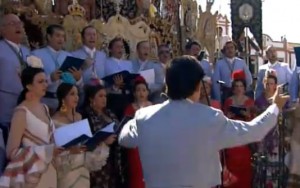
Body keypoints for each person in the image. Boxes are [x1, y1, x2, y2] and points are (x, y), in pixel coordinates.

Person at [118, 55, 289, 188]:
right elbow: (255, 131)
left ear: (167, 85)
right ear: (198, 86)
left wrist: (136, 116)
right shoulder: (210, 118)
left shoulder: (143, 117)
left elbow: (124, 138)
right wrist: (275, 107)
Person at [0, 59, 60, 187]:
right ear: (28, 86)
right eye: (40, 82)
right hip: (32, 174)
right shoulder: (21, 112)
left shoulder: (44, 108)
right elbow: (11, 152)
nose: (45, 85)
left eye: (45, 81)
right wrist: (45, 151)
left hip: (50, 171)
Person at [52, 82, 110, 188]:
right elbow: (54, 149)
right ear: (63, 98)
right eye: (72, 94)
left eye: (77, 94)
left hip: (83, 169)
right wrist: (70, 151)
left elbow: (85, 142)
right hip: (67, 171)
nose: (76, 97)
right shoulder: (54, 120)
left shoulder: (79, 116)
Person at [81, 84, 125, 188]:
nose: (104, 99)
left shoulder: (110, 113)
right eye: (100, 96)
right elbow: (85, 142)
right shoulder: (86, 116)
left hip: (114, 160)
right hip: (97, 162)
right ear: (92, 99)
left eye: (105, 96)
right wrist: (103, 142)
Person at [0, 14, 31, 144]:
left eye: (19, 23)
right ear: (2, 29)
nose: (18, 26)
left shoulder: (26, 51)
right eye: (13, 24)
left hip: (27, 103)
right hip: (6, 104)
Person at [222, 70, 256, 188]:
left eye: (241, 86)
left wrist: (248, 116)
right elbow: (223, 121)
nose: (239, 88)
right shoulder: (228, 101)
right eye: (236, 86)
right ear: (233, 88)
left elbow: (255, 122)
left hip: (244, 138)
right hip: (232, 137)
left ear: (245, 87)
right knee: (231, 166)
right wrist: (228, 117)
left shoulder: (250, 102)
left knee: (245, 168)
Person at [124, 76, 152, 188]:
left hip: (151, 147)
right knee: (137, 176)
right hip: (136, 147)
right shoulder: (129, 108)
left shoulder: (154, 106)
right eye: (138, 90)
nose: (141, 93)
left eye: (144, 90)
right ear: (134, 93)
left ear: (148, 93)